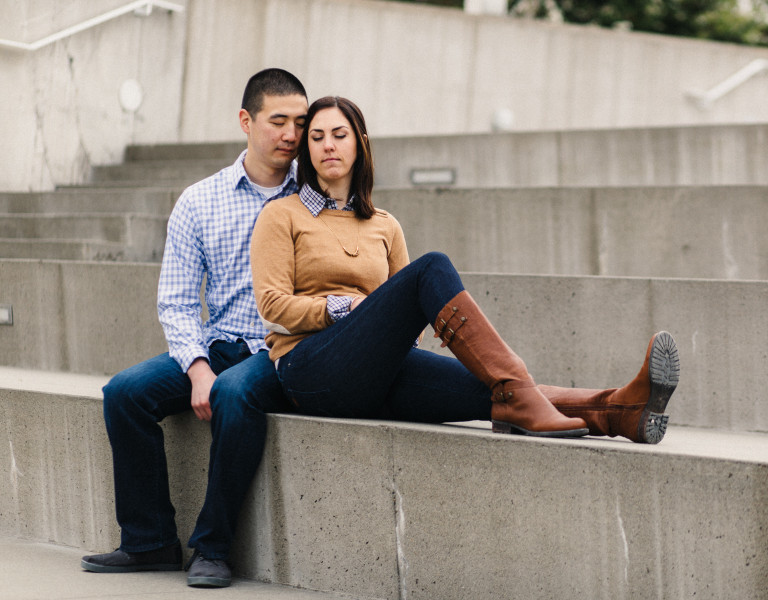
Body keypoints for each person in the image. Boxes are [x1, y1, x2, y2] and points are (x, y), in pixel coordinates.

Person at [250, 96, 680, 443]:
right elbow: (271, 307)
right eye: (318, 137)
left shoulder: (385, 224)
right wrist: (347, 310)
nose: (328, 145)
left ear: (359, 142)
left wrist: (378, 327)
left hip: (379, 372)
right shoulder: (281, 215)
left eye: (339, 135)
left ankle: (621, 411)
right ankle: (526, 388)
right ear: (306, 149)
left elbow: (405, 323)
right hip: (310, 371)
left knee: (500, 391)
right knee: (431, 268)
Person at [81, 68, 309, 589]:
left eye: (299, 121)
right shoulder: (199, 201)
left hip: (282, 349)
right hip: (221, 344)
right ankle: (149, 541)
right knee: (124, 393)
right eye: (278, 121)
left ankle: (212, 548)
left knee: (233, 394)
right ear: (246, 121)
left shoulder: (313, 197)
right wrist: (198, 367)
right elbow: (178, 302)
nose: (291, 135)